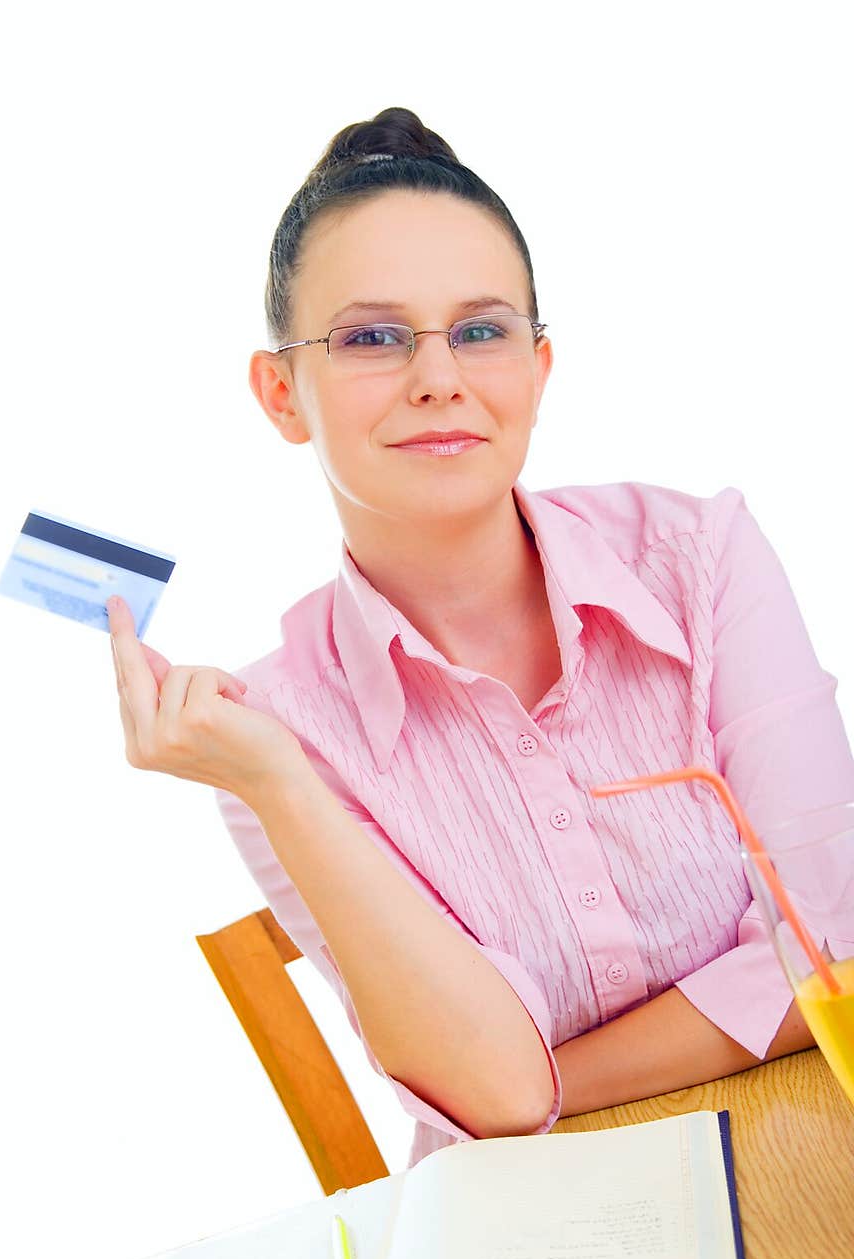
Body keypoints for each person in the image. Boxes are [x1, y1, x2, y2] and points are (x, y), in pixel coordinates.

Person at [107, 106, 854, 1169]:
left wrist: (550, 1086)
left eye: (481, 328)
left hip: (814, 1150)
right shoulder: (265, 732)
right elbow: (482, 1080)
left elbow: (833, 947)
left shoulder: (702, 557)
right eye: (371, 336)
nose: (437, 377)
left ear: (538, 370)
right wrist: (275, 781)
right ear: (282, 392)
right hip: (530, 1237)